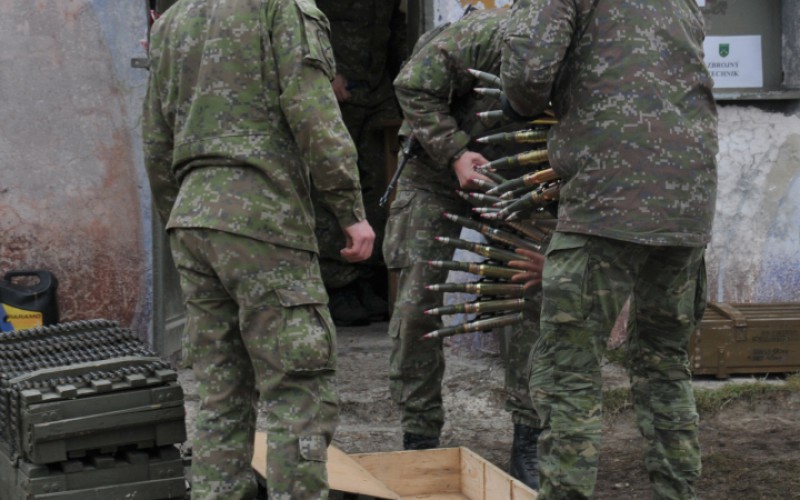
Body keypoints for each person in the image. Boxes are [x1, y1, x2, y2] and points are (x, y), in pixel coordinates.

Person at [142, 1, 375, 498]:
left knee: (220, 393)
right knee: (299, 390)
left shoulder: (173, 21)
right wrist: (349, 209)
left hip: (193, 220)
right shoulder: (282, 7)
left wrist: (178, 216)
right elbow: (314, 112)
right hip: (263, 218)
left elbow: (155, 140)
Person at [500, 0, 718, 498]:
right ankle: (678, 489)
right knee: (665, 361)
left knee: (569, 369)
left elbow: (529, 75)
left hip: (606, 199)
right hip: (689, 200)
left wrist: (519, 101)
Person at [385, 8, 549, 489]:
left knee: (530, 296)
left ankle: (529, 437)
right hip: (435, 172)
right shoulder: (482, 34)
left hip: (520, 177)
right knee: (419, 302)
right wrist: (455, 152)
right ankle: (419, 439)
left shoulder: (582, 49)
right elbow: (411, 86)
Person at [312, 0, 408, 327]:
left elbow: (395, 32)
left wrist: (404, 80)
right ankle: (337, 282)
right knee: (334, 180)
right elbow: (303, 24)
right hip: (337, 90)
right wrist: (326, 71)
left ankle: (367, 275)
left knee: (379, 185)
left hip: (377, 91)